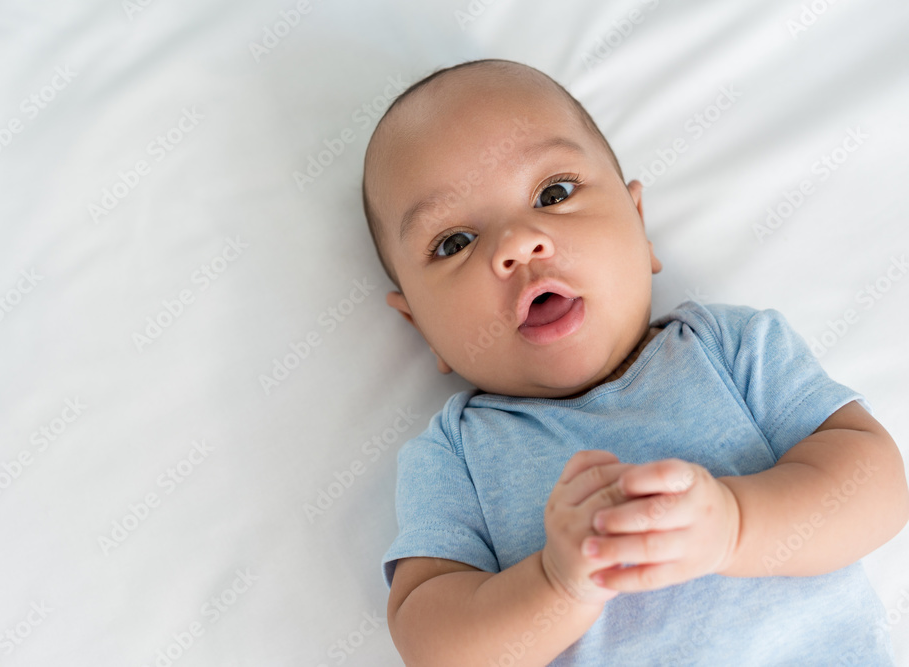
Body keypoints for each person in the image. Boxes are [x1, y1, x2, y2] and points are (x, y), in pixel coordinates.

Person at [360, 58, 909, 666]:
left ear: (639, 225)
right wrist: (557, 584)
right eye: (454, 242)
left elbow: (877, 487)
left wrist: (735, 527)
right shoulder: (455, 455)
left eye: (554, 194)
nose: (518, 244)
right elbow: (433, 643)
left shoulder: (732, 349)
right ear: (420, 325)